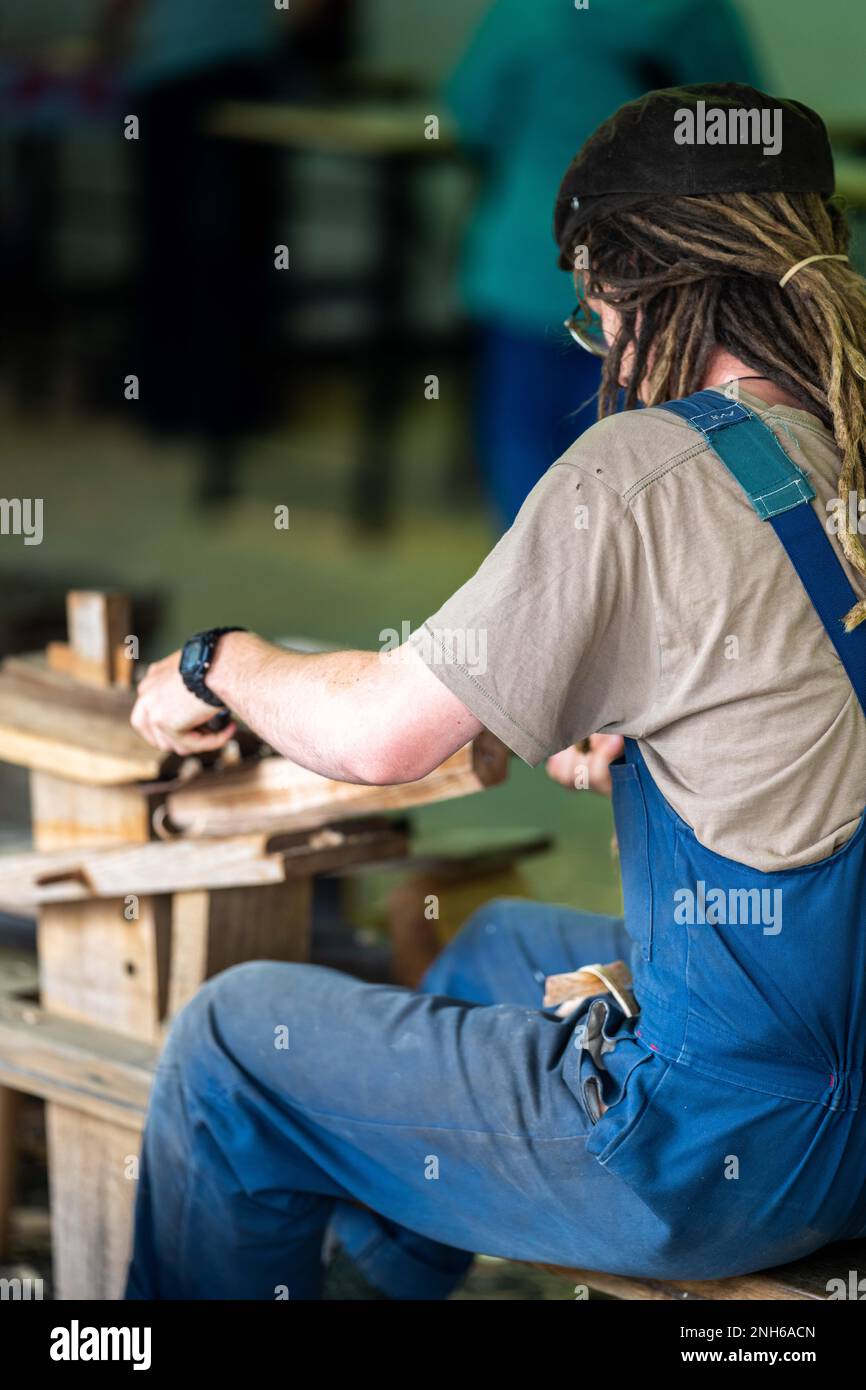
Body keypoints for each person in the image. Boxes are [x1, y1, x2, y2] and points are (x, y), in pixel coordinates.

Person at [126, 82, 866, 1299]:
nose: (608, 353)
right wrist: (646, 711)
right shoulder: (835, 448)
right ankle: (384, 1280)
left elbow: (379, 735)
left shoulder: (640, 472)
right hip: (839, 1086)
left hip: (723, 1156)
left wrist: (216, 660)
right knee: (495, 947)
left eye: (596, 319)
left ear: (640, 286)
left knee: (232, 1040)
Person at [445, 0, 762, 526]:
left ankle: (537, 583)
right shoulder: (694, 13)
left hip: (532, 256)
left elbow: (471, 116)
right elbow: (742, 131)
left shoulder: (524, 11)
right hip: (654, 268)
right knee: (637, 456)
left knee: (522, 443)